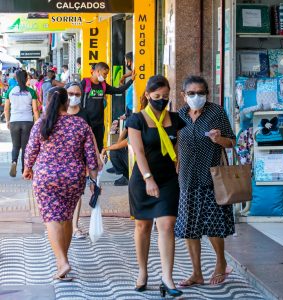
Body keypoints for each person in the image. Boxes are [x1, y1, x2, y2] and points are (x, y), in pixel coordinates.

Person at [23, 87, 98, 281]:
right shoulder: (80, 125)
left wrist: (27, 168)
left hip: (46, 177)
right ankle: (62, 262)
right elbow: (91, 155)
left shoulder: (42, 123)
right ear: (66, 103)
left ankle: (62, 262)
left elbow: (31, 149)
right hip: (73, 178)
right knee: (65, 218)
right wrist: (93, 179)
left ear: (47, 102)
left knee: (52, 218)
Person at [126, 75, 185, 298]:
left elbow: (177, 144)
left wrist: (179, 160)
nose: (161, 100)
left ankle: (167, 277)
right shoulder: (136, 120)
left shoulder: (176, 118)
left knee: (167, 224)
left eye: (165, 97)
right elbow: (138, 152)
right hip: (143, 179)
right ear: (148, 95)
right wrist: (148, 178)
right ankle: (142, 272)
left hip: (168, 178)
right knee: (143, 227)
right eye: (157, 96)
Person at [175, 76, 236, 287]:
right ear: (183, 95)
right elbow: (175, 143)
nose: (196, 97)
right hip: (187, 178)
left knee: (213, 224)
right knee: (189, 227)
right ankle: (196, 273)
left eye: (200, 93)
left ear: (207, 94)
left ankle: (221, 263)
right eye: (191, 93)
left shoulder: (216, 112)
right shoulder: (180, 114)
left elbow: (232, 142)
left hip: (211, 177)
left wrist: (218, 139)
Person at [65, 81, 102, 238]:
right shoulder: (59, 112)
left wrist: (97, 155)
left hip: (80, 159)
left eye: (77, 94)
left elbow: (91, 135)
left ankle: (74, 227)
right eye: (71, 94)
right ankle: (61, 225)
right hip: (61, 160)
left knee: (77, 193)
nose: (74, 97)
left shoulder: (85, 113)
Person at [81, 62, 135, 152]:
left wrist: (131, 80)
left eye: (106, 74)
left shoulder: (103, 85)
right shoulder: (85, 83)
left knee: (98, 147)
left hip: (99, 123)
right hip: (86, 122)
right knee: (85, 147)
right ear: (97, 71)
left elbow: (118, 90)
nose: (105, 76)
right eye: (104, 74)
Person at [4, 70, 39, 177]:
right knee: (25, 147)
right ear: (26, 78)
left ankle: (14, 161)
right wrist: (37, 123)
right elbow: (35, 110)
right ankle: (25, 169)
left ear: (16, 78)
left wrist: (7, 121)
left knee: (15, 146)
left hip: (14, 121)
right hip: (27, 121)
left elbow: (6, 109)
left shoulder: (10, 90)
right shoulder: (31, 91)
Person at [119, 52, 134, 118]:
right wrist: (124, 76)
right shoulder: (134, 73)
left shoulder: (136, 75)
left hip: (133, 109)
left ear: (129, 61)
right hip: (130, 108)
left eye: (126, 61)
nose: (127, 64)